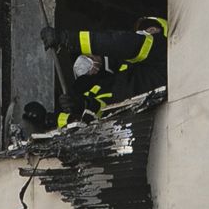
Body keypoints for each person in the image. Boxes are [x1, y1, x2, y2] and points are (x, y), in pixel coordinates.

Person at [22, 16, 168, 130]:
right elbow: (106, 110)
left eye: (151, 30)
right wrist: (79, 106)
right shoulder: (124, 78)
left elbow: (124, 43)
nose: (143, 35)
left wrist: (67, 38)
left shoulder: (162, 48)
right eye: (140, 32)